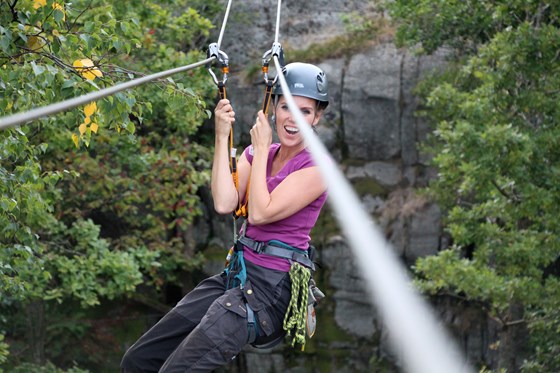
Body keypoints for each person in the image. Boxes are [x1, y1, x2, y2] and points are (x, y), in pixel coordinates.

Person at [121, 62, 329, 372]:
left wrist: (259, 150)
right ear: (274, 106)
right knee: (139, 361)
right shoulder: (262, 153)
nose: (293, 119)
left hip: (270, 292)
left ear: (317, 117)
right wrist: (222, 135)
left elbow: (259, 213)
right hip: (237, 277)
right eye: (287, 107)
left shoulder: (316, 167)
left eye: (305, 111)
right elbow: (224, 201)